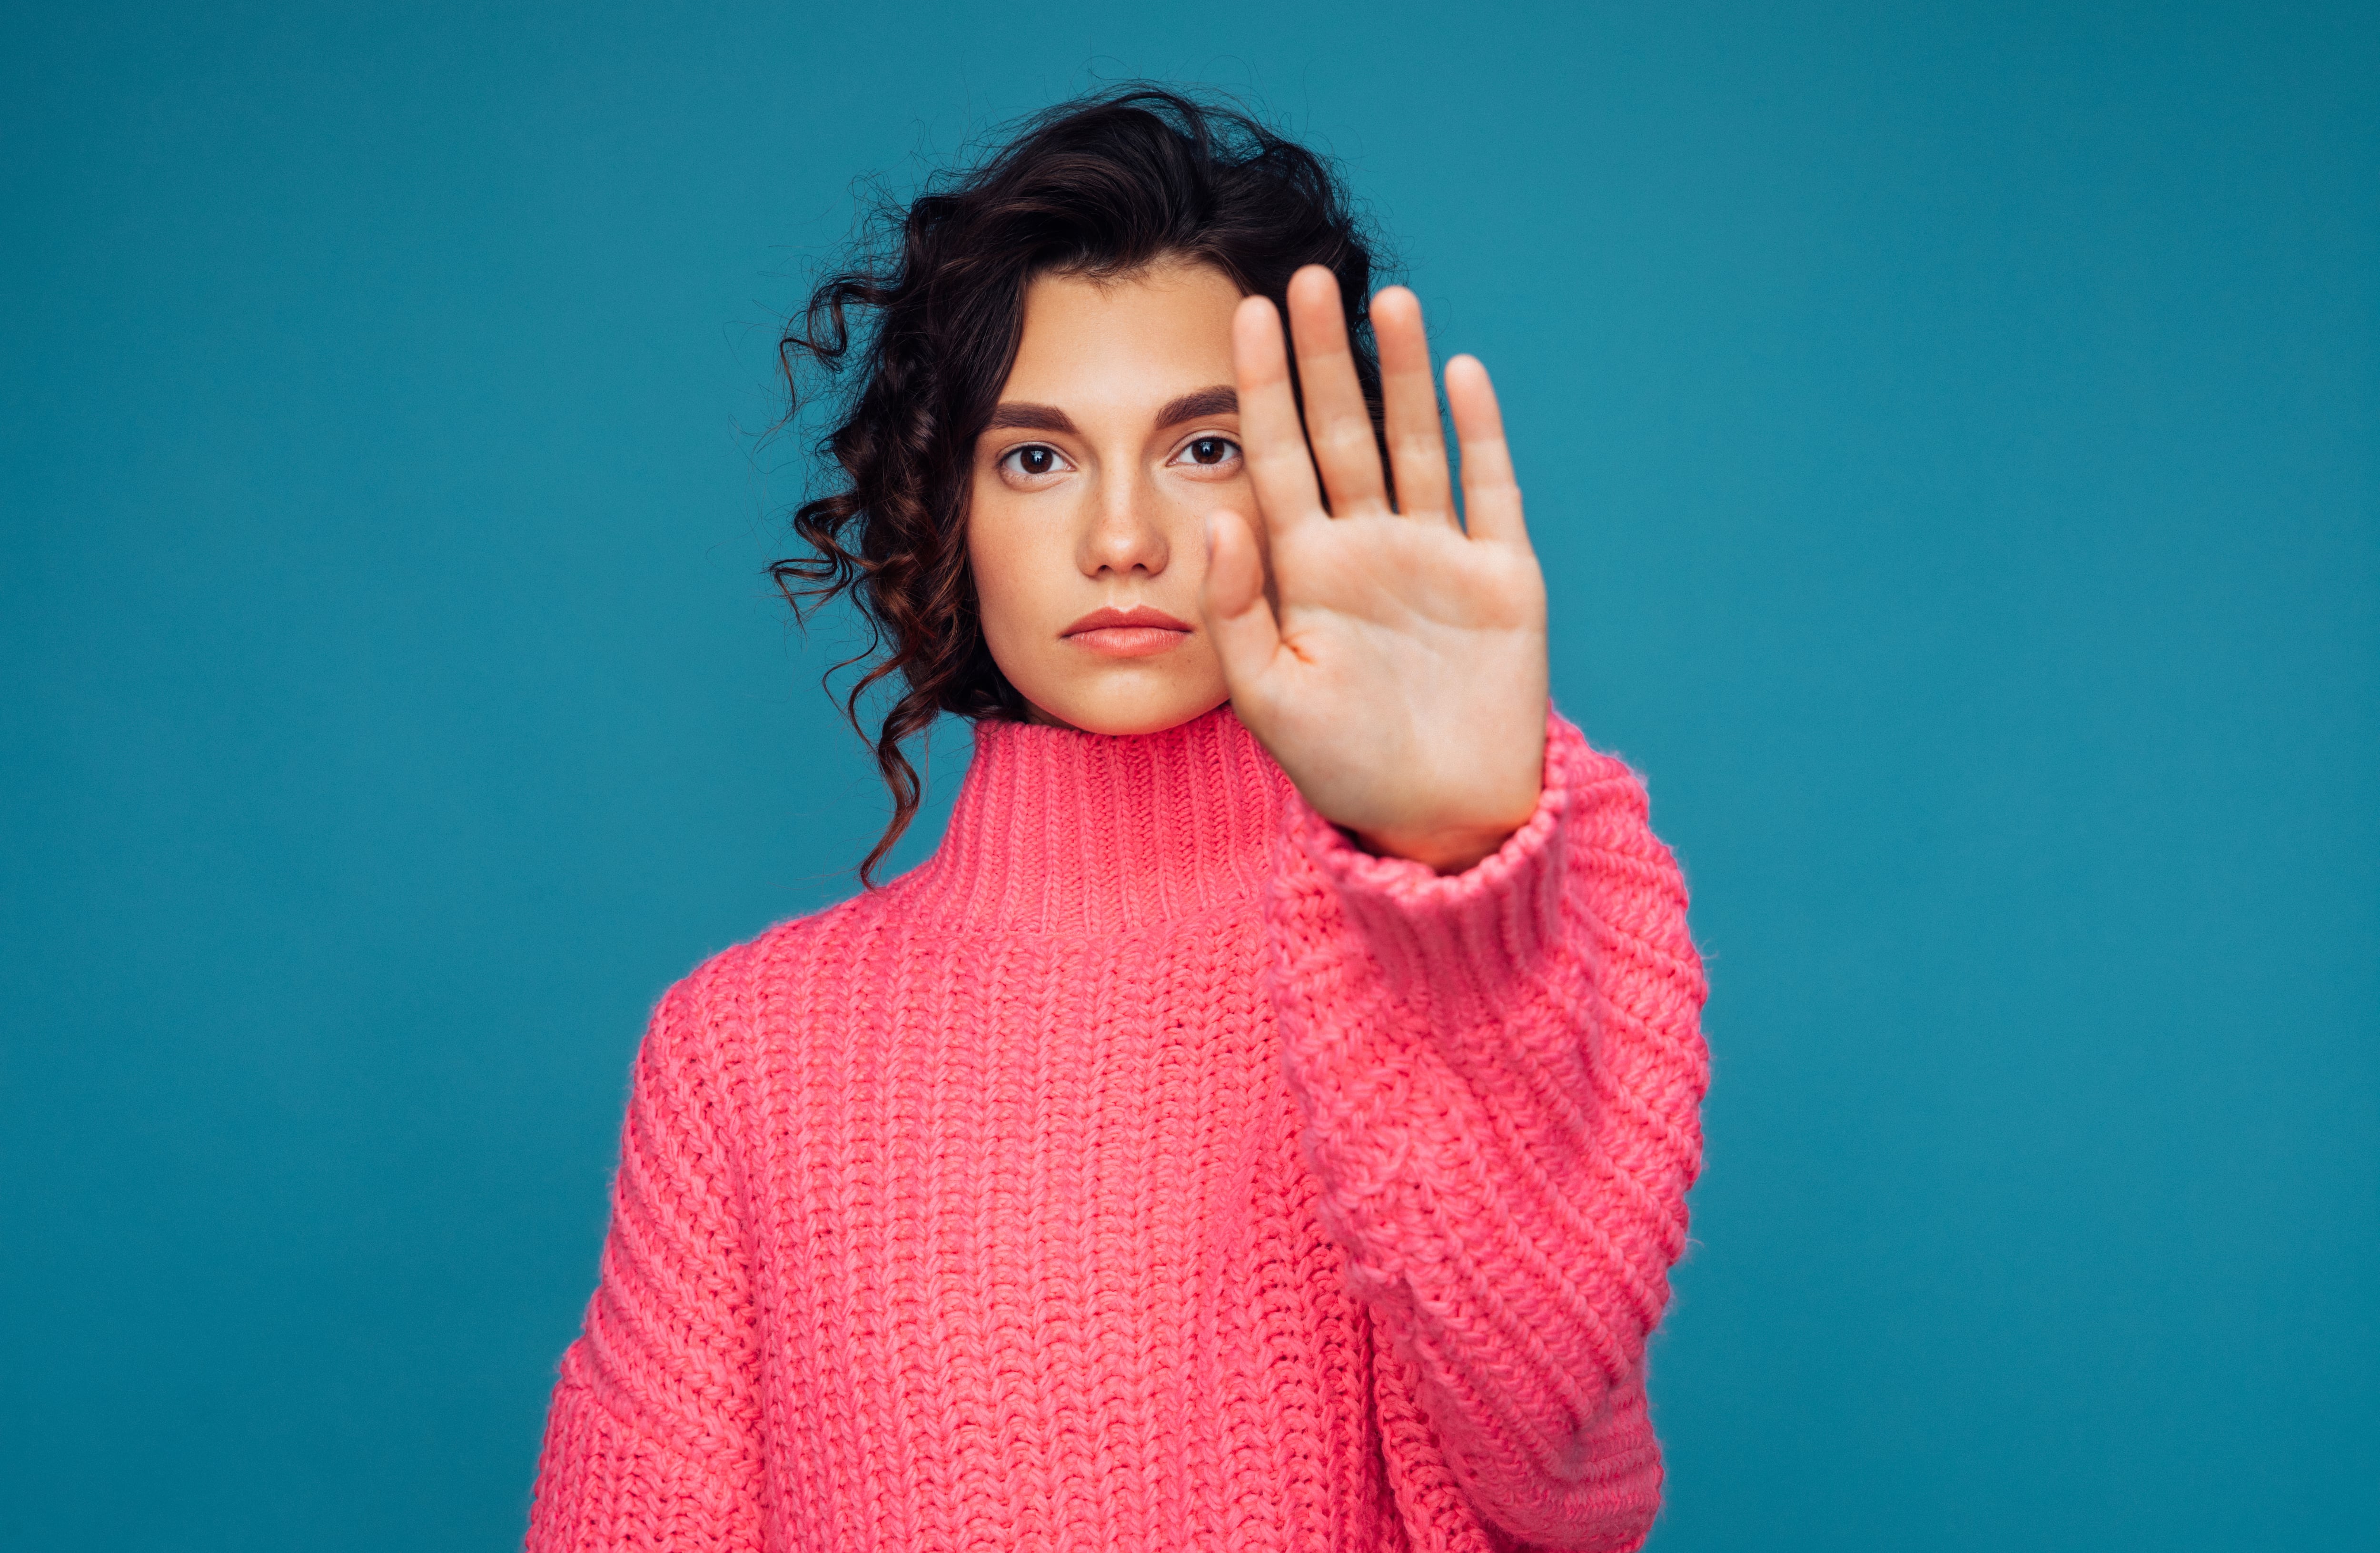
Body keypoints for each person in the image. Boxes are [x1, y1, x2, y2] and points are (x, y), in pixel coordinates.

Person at [524, 86, 1710, 1553]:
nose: (1124, 537)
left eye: (1202, 448)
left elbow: (1565, 1489)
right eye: (1037, 457)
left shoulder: (1457, 928)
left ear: (1312, 479)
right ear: (944, 508)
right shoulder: (743, 1055)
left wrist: (1453, 892)